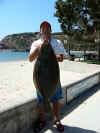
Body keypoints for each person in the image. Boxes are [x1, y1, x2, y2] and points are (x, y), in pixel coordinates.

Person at [29, 21, 67, 132]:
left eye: (47, 28)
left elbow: (60, 58)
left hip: (53, 77)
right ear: (40, 31)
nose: (45, 29)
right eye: (43, 28)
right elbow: (31, 59)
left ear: (50, 30)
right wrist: (39, 48)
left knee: (55, 100)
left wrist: (49, 51)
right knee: (41, 100)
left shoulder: (57, 42)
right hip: (40, 77)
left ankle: (57, 119)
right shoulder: (36, 43)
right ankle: (42, 120)